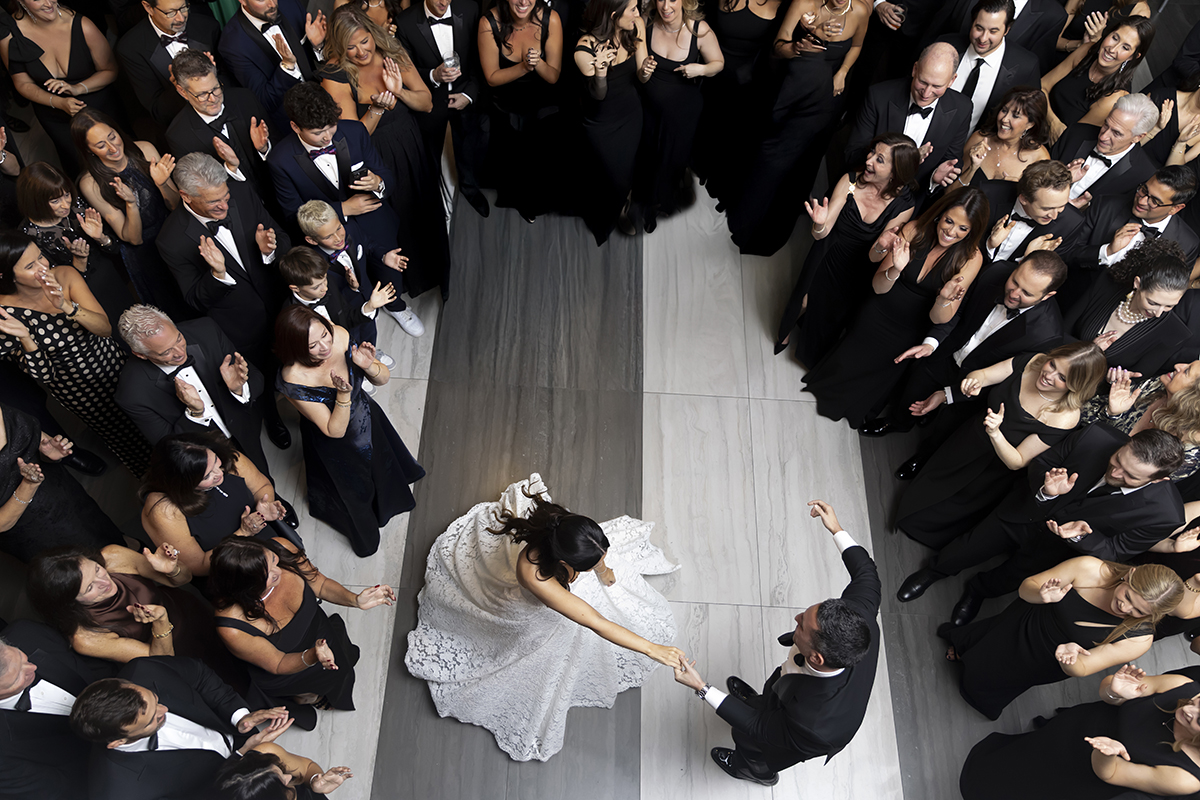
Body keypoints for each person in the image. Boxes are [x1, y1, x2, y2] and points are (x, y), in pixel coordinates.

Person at [405, 474, 684, 761]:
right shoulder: (535, 576)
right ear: (563, 563)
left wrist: (602, 570)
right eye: (589, 565)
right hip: (523, 603)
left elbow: (598, 562)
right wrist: (652, 648)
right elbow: (595, 621)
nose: (598, 564)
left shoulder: (566, 528)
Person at [671, 499, 879, 786]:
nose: (796, 618)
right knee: (769, 694)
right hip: (790, 692)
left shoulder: (815, 724)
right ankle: (759, 700)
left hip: (794, 733)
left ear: (816, 657)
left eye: (801, 625)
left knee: (747, 738)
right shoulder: (859, 614)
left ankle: (753, 770)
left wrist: (702, 687)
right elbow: (867, 573)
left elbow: (758, 726)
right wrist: (836, 529)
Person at [898, 426, 1186, 622]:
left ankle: (977, 591)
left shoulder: (1165, 515)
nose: (1116, 472)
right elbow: (1043, 461)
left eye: (1130, 476)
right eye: (1118, 460)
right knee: (968, 547)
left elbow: (1116, 552)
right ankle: (933, 572)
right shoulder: (1095, 436)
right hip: (1025, 510)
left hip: (1058, 549)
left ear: (1159, 479)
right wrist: (1047, 489)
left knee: (1009, 577)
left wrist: (1080, 537)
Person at [802, 185, 988, 428]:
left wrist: (943, 299)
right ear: (940, 214)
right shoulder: (914, 229)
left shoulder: (971, 258)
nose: (951, 232)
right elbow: (878, 286)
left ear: (972, 231)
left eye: (963, 228)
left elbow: (940, 319)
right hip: (877, 311)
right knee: (848, 361)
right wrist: (896, 269)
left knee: (879, 374)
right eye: (949, 221)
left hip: (911, 328)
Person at [896, 342, 1106, 551]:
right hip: (970, 437)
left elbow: (1018, 461)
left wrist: (995, 433)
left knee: (945, 509)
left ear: (1075, 387)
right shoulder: (1033, 361)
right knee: (931, 482)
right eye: (1052, 364)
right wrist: (973, 382)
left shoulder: (1065, 417)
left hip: (993, 464)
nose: (1048, 375)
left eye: (1062, 378)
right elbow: (984, 375)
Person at [860, 251, 1069, 451]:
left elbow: (1008, 379)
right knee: (912, 394)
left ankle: (924, 457)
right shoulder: (995, 272)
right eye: (1015, 281)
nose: (1014, 294)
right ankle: (898, 423)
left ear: (1047, 295)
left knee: (946, 429)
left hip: (977, 385)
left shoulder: (1046, 336)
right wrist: (932, 342)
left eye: (1027, 293)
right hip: (946, 354)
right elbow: (958, 309)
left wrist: (949, 395)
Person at [156, 153, 293, 452]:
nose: (224, 206)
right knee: (260, 376)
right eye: (213, 202)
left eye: (225, 197)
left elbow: (282, 236)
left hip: (281, 302)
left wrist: (270, 250)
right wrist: (217, 275)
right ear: (186, 196)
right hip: (240, 326)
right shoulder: (171, 239)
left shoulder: (241, 193)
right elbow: (193, 299)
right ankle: (272, 417)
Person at [942, 556, 1181, 721]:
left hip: (1045, 660)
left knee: (999, 676)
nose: (1125, 608)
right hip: (1021, 621)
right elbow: (1027, 587)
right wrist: (1040, 595)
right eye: (1128, 596)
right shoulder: (1089, 568)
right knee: (989, 640)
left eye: (1138, 611)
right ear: (1130, 574)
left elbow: (1084, 668)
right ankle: (967, 648)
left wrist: (1070, 658)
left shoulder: (1140, 639)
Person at [275, 305, 424, 556]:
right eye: (313, 345)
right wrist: (343, 395)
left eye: (325, 334)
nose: (325, 346)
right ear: (296, 348)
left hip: (366, 416)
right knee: (352, 491)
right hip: (336, 443)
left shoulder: (341, 336)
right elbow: (334, 430)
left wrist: (369, 366)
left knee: (382, 465)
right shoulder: (294, 377)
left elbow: (382, 379)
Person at [322, 7, 450, 300]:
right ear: (340, 47)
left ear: (372, 33)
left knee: (424, 209)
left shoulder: (392, 51)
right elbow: (353, 139)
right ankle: (403, 286)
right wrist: (378, 109)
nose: (360, 52)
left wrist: (399, 92)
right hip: (377, 158)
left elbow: (427, 102)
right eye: (350, 47)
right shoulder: (335, 75)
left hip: (410, 144)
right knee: (396, 221)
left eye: (364, 41)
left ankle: (437, 274)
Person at [0, 232, 152, 475]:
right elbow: (45, 376)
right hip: (78, 390)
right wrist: (26, 338)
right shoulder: (4, 315)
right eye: (30, 266)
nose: (42, 267)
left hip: (112, 363)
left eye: (40, 257)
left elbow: (104, 329)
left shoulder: (65, 275)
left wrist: (66, 306)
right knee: (124, 436)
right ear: (7, 276)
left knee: (152, 413)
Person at [726, 0, 867, 255]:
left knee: (804, 160)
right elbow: (778, 47)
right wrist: (797, 47)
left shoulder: (860, 11)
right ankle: (749, 216)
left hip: (826, 99)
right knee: (771, 156)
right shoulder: (804, 3)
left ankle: (784, 215)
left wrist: (843, 72)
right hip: (793, 91)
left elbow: (856, 46)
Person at [211, 536, 391, 730]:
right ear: (247, 588)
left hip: (319, 631)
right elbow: (278, 663)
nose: (278, 571)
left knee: (340, 667)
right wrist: (312, 655)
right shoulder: (232, 627)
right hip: (287, 667)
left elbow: (320, 584)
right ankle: (307, 696)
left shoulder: (282, 547)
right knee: (314, 683)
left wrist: (355, 600)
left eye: (273, 560)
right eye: (268, 576)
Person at [775, 133, 918, 368]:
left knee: (832, 313)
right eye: (872, 152)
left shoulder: (904, 205)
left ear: (895, 172)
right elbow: (821, 234)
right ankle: (787, 329)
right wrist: (819, 223)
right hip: (829, 250)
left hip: (859, 265)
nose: (869, 160)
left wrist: (881, 246)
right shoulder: (850, 181)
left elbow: (873, 257)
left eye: (879, 159)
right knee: (805, 301)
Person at [959, 662, 1200, 799]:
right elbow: (1108, 693)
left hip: (1084, 771)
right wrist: (1115, 692)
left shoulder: (1185, 779)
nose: (1189, 708)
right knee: (1024, 755)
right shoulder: (1181, 685)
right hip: (1075, 727)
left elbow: (1112, 774)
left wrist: (1106, 753)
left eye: (1199, 720)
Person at [25, 543, 249, 688]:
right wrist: (161, 622)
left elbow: (183, 579)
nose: (104, 582)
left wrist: (172, 569)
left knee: (241, 650)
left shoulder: (113, 556)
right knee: (228, 683)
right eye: (90, 588)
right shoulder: (86, 637)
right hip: (178, 654)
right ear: (70, 602)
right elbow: (163, 661)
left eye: (97, 569)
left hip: (192, 614)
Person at [69, 657, 293, 800]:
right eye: (152, 719)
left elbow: (201, 676)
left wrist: (241, 717)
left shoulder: (144, 671)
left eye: (155, 699)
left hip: (242, 737)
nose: (164, 709)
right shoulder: (120, 792)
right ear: (118, 741)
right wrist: (241, 756)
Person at [116, 306, 284, 485]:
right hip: (203, 462)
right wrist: (195, 413)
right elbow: (167, 446)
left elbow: (257, 378)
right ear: (140, 355)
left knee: (264, 481)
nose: (180, 353)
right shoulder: (131, 394)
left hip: (244, 431)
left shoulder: (206, 330)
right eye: (166, 352)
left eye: (179, 339)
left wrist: (239, 388)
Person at [72, 108, 189, 320]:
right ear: (89, 150)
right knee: (173, 311)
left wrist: (162, 184)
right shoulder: (91, 183)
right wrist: (131, 204)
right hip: (145, 253)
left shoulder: (145, 149)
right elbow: (133, 239)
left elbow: (176, 206)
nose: (112, 147)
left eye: (112, 137)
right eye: (101, 145)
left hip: (174, 231)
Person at [269, 82, 397, 257]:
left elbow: (387, 176)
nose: (327, 137)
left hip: (379, 230)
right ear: (295, 127)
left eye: (331, 126)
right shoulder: (280, 160)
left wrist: (378, 183)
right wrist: (343, 209)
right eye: (318, 133)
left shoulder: (355, 131)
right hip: (329, 249)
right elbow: (293, 215)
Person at [140, 432, 293, 577]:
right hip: (231, 569)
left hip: (268, 542)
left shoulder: (228, 458)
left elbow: (262, 486)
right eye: (207, 475)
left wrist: (263, 507)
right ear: (184, 483)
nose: (219, 473)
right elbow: (197, 566)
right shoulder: (163, 510)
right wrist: (243, 533)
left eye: (215, 462)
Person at [15, 161, 144, 329]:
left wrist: (101, 238)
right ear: (36, 202)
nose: (65, 204)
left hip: (112, 279)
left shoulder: (77, 206)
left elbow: (116, 249)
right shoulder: (28, 236)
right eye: (55, 201)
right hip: (86, 298)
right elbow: (56, 291)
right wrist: (78, 261)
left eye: (67, 195)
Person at [0, 619, 118, 800]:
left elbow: (95, 663)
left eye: (21, 657)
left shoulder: (26, 632)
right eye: (17, 678)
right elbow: (64, 790)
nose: (33, 667)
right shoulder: (4, 763)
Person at [633, 0, 724, 233]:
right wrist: (644, 70)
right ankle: (645, 203)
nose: (666, 6)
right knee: (647, 159)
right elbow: (641, 77)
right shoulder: (646, 23)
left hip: (682, 114)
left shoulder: (699, 29)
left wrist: (701, 69)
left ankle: (661, 202)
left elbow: (719, 64)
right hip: (649, 111)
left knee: (671, 162)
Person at [394, 0, 490, 219]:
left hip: (466, 95)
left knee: (470, 150)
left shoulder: (470, 9)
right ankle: (434, 209)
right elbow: (405, 69)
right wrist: (433, 75)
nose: (444, 2)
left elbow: (479, 58)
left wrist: (469, 95)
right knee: (430, 161)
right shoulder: (405, 22)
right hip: (430, 102)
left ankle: (469, 189)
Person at [0, 0, 120, 175]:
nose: (49, 3)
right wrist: (58, 102)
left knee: (118, 158)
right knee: (82, 168)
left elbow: (110, 70)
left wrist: (78, 88)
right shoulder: (9, 33)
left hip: (99, 107)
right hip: (54, 116)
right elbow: (22, 84)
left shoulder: (83, 25)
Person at [0, 402, 125, 563]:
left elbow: (33, 437)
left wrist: (49, 452)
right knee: (84, 564)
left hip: (64, 492)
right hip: (33, 529)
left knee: (101, 531)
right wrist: (28, 486)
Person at [688, 0, 781, 208]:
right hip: (714, 74)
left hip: (750, 83)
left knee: (734, 137)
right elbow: (701, 24)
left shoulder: (779, 4)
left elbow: (776, 48)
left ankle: (721, 183)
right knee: (707, 128)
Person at [844, 43, 974, 191]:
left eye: (937, 86)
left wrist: (935, 177)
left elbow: (952, 160)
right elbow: (853, 154)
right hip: (863, 188)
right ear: (915, 69)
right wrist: (901, 160)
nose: (926, 93)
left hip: (912, 197)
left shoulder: (962, 109)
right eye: (923, 82)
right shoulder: (879, 96)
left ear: (952, 80)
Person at [478, 0, 563, 223]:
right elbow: (492, 78)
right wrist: (524, 67)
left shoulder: (551, 19)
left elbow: (553, 76)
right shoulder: (489, 23)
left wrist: (539, 64)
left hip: (543, 107)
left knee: (542, 161)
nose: (524, 1)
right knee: (513, 163)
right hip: (507, 108)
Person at [295, 199, 423, 338]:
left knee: (371, 329)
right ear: (312, 240)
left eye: (338, 228)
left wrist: (383, 256)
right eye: (328, 236)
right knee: (358, 336)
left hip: (368, 294)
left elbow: (368, 244)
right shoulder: (312, 264)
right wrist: (351, 288)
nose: (338, 238)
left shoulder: (351, 228)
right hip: (347, 309)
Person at [574, 0, 645, 244]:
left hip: (631, 116)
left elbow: (641, 76)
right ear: (614, 15)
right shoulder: (584, 49)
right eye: (633, 9)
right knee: (611, 177)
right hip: (602, 124)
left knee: (627, 172)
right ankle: (606, 214)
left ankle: (623, 207)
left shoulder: (636, 26)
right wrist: (601, 72)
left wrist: (646, 71)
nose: (638, 13)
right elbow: (598, 95)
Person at [165, 49, 275, 202]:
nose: (213, 99)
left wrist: (264, 149)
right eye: (202, 94)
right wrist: (230, 168)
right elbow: (202, 192)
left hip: (278, 191)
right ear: (183, 92)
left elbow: (280, 147)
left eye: (216, 88)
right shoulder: (179, 136)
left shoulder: (245, 98)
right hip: (238, 205)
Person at [1071, 167, 1200, 294]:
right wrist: (1106, 251)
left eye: (1154, 201)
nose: (1142, 201)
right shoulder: (1106, 205)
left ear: (1175, 209)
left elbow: (1168, 292)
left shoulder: (1188, 244)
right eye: (1144, 190)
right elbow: (1068, 252)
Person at [1064, 250, 1191, 376]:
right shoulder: (1106, 285)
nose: (1158, 314)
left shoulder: (1175, 334)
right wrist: (1089, 350)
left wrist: (1112, 379)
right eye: (1152, 303)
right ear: (1137, 283)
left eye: (1169, 306)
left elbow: (1137, 378)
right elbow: (1059, 333)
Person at [279, 247, 394, 380]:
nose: (325, 288)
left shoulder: (330, 285)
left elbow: (346, 317)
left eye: (324, 279)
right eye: (316, 287)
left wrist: (369, 307)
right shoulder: (289, 316)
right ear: (295, 288)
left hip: (347, 350)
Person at [1081, 361, 1200, 481]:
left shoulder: (1188, 454)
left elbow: (1126, 482)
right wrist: (1111, 413)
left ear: (1192, 397)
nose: (1178, 365)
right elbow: (1083, 412)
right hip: (1081, 449)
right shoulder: (1157, 386)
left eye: (1186, 371)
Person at [218, 0, 327, 132]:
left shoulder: (290, 4)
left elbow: (321, 60)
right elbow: (265, 101)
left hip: (326, 97)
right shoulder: (232, 44)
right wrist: (287, 66)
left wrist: (318, 47)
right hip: (292, 124)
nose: (272, 4)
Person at [1042, 15, 1153, 139]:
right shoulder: (1087, 50)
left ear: (1132, 56)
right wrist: (1053, 122)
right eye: (1115, 38)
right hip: (1037, 113)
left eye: (1125, 48)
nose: (1112, 49)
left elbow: (1070, 139)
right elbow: (1042, 86)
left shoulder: (1114, 96)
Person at [937, 0, 1041, 132]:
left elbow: (1030, 118)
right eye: (979, 28)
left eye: (993, 31)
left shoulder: (1026, 67)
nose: (983, 38)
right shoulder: (944, 45)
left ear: (1007, 29)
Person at [116, 0, 224, 126]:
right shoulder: (131, 48)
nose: (181, 18)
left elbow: (228, 79)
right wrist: (178, 88)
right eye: (171, 13)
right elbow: (157, 111)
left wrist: (212, 76)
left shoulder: (207, 26)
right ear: (148, 7)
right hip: (184, 124)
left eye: (183, 8)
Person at [1053, 92, 1159, 208]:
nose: (1103, 136)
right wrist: (1060, 179)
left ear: (1138, 137)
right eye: (1106, 125)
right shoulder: (1076, 133)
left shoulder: (1143, 175)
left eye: (1116, 133)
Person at [976, 159, 1083, 267]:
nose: (1054, 216)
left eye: (1061, 206)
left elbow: (1049, 273)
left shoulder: (1071, 224)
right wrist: (989, 245)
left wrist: (1028, 259)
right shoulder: (986, 194)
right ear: (1024, 199)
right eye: (1046, 208)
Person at [954, 87, 1051, 188]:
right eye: (1004, 110)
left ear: (1030, 124)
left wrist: (1019, 190)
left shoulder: (1039, 158)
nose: (1004, 119)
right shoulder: (979, 138)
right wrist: (972, 169)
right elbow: (950, 192)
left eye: (1015, 116)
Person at [214, 747, 354, 798]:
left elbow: (306, 767)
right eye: (282, 781)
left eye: (279, 770)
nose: (289, 776)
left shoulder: (265, 754)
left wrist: (313, 780)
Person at [1057, 0, 1149, 56]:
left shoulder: (1140, 11)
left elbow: (1114, 61)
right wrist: (1079, 44)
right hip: (1058, 51)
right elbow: (1054, 36)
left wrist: (1096, 42)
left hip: (1086, 65)